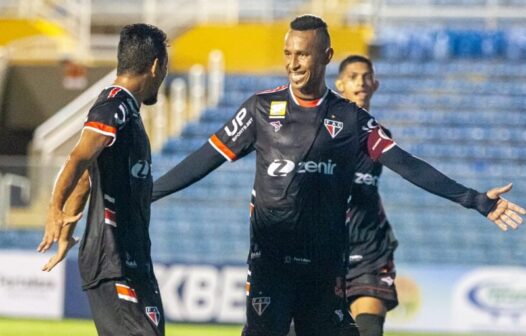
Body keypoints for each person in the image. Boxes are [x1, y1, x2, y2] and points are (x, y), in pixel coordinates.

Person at [151, 15, 524, 336]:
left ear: (326, 57)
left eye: (303, 55)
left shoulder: (351, 120)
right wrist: (148, 192)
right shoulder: (260, 110)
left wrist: (475, 200)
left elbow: (408, 165)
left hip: (324, 270)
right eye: (288, 54)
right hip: (270, 265)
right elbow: (204, 159)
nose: (293, 64)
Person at [37, 23, 168, 336]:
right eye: (165, 68)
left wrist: (68, 227)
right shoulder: (114, 105)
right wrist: (55, 208)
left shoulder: (128, 113)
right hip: (113, 261)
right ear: (155, 66)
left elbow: (85, 176)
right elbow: (78, 157)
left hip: (132, 259)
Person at [337, 55, 396, 336]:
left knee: (369, 330)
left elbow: (416, 171)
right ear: (340, 85)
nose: (360, 82)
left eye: (366, 76)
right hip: (325, 254)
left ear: (375, 84)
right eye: (353, 77)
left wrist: (471, 198)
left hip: (370, 252)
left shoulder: (382, 136)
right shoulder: (319, 133)